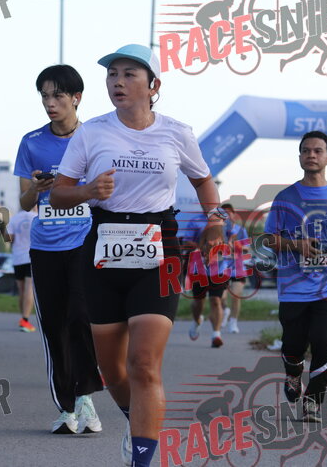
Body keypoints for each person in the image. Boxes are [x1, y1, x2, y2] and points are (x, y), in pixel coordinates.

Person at [50, 44, 224, 467]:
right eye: (112, 74)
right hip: (104, 247)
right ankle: (137, 418)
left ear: (153, 85)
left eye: (129, 74)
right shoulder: (91, 132)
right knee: (113, 371)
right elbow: (58, 194)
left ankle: (142, 458)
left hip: (159, 246)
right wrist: (89, 191)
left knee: (144, 362)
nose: (118, 82)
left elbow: (203, 181)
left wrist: (215, 220)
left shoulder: (177, 132)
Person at [13, 64, 103, 436]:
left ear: (76, 98)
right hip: (44, 245)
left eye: (58, 96)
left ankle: (86, 397)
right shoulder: (31, 142)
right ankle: (66, 408)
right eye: (45, 96)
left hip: (85, 242)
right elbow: (23, 203)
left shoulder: (95, 137)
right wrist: (37, 189)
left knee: (81, 317)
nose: (50, 103)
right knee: (54, 327)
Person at [263, 131, 327, 423]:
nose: (311, 155)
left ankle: (313, 402)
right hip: (293, 288)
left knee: (324, 344)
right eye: (306, 151)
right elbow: (268, 239)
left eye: (317, 151)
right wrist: (296, 245)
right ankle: (293, 374)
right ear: (300, 156)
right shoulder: (285, 198)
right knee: (293, 346)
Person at [179, 212, 229, 348]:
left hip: (219, 268)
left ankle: (216, 334)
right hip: (199, 267)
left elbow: (232, 241)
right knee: (198, 301)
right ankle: (197, 321)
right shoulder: (195, 221)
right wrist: (204, 247)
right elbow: (186, 242)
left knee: (216, 300)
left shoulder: (226, 221)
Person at [6, 205, 38, 333]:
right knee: (29, 289)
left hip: (17, 257)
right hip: (32, 256)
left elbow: (8, 238)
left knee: (21, 290)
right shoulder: (37, 217)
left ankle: (23, 318)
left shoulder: (14, 218)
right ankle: (25, 319)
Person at [220, 203, 248, 333]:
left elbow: (247, 248)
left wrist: (236, 246)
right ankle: (225, 310)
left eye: (228, 212)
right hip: (222, 267)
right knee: (221, 297)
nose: (226, 215)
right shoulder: (218, 230)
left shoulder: (240, 230)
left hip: (238, 267)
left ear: (233, 214)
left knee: (236, 296)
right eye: (223, 213)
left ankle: (233, 322)